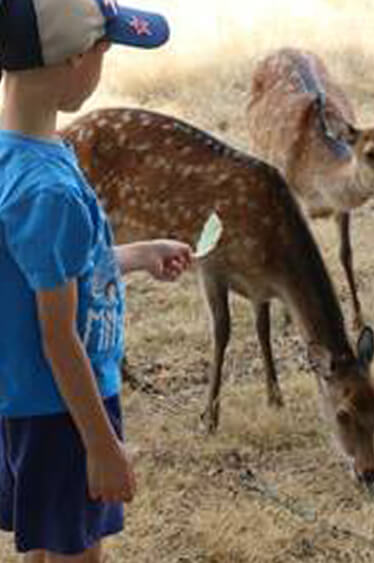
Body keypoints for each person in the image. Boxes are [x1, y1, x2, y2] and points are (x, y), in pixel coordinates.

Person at [0, 1, 188, 560]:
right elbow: (59, 338)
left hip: (27, 402)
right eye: (106, 50)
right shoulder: (48, 189)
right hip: (65, 411)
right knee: (79, 554)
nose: (105, 63)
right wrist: (102, 446)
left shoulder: (20, 156)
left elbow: (41, 268)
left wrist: (134, 255)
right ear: (78, 57)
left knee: (49, 542)